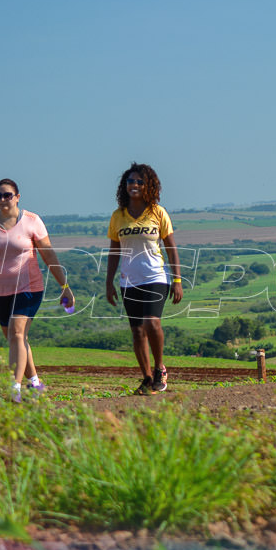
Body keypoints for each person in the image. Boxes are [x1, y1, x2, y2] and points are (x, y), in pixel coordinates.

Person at [0, 178, 74, 402]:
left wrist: (65, 286)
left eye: (7, 195)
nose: (3, 199)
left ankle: (14, 388)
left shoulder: (32, 221)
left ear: (17, 197)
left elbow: (49, 255)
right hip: (0, 291)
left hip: (29, 288)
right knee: (15, 339)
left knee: (17, 333)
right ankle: (35, 382)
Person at [105, 163, 183, 395]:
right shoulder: (118, 216)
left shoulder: (158, 212)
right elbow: (114, 252)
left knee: (152, 323)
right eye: (130, 181)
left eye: (139, 181)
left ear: (148, 185)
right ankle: (147, 378)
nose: (134, 185)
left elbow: (171, 248)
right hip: (129, 281)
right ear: (124, 186)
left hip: (155, 276)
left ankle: (160, 368)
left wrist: (177, 280)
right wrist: (109, 282)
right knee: (137, 332)